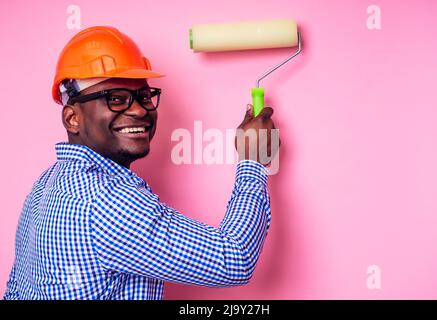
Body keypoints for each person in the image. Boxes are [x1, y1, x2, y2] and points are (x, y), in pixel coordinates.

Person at [3, 26, 279, 300]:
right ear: (73, 118)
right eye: (115, 99)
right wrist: (252, 161)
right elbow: (234, 259)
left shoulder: (45, 184)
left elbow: (17, 291)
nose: (138, 109)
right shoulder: (106, 202)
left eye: (144, 96)